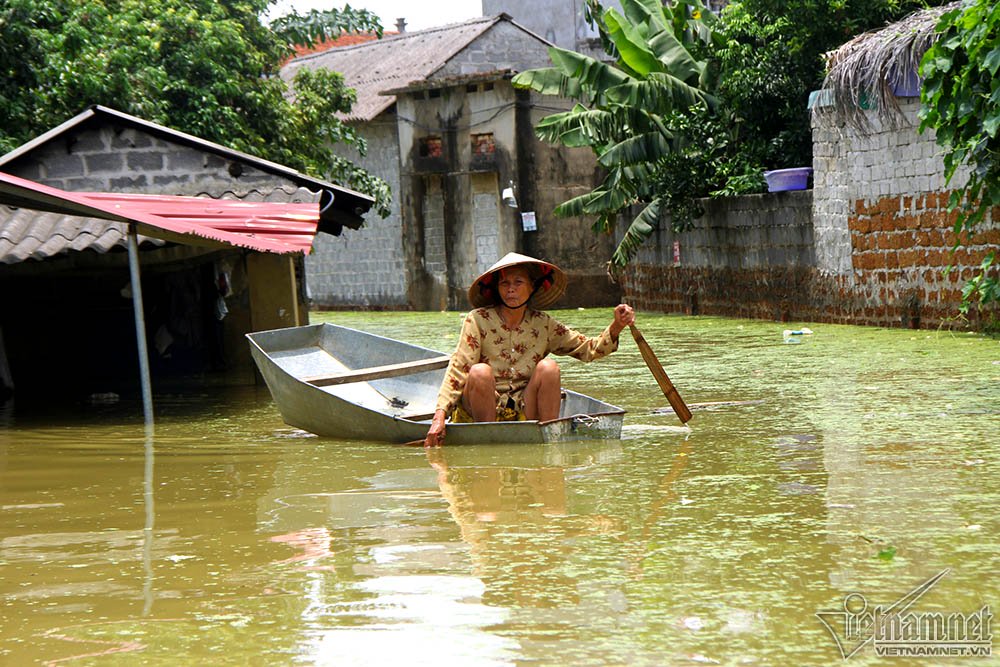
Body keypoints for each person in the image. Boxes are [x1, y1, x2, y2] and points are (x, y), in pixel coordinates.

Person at [424, 252, 635, 447]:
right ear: (497, 288)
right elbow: (459, 367)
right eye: (504, 283)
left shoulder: (544, 324)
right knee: (479, 372)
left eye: (518, 282)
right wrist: (439, 416)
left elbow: (589, 349)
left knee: (549, 368)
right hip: (482, 409)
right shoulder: (478, 320)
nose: (511, 289)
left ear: (532, 287)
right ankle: (487, 444)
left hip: (525, 409)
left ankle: (549, 441)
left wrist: (617, 326)